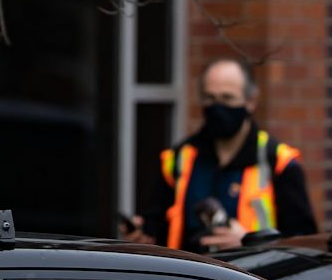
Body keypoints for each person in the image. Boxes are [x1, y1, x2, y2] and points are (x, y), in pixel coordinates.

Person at [123, 58, 316, 252]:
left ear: (251, 101)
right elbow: (158, 227)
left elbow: (304, 244)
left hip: (253, 279)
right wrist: (143, 233)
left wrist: (249, 242)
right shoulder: (180, 159)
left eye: (227, 98)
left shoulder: (278, 163)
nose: (217, 107)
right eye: (210, 98)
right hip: (185, 278)